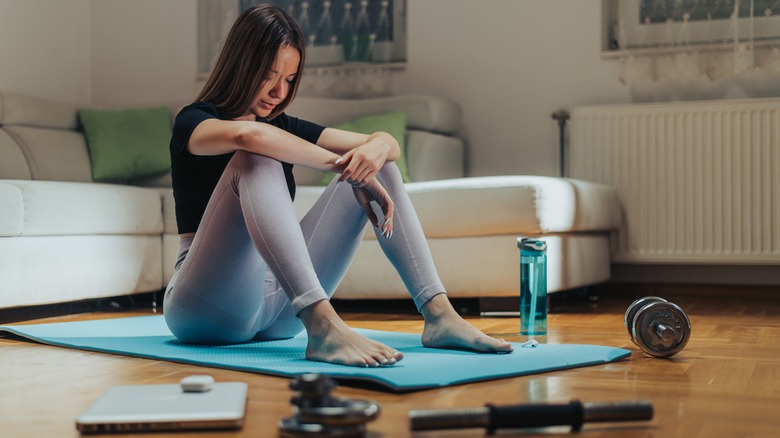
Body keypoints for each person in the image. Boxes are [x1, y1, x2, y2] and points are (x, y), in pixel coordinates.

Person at [163, 3, 513, 368]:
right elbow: (248, 136)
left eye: (289, 80)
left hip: (277, 310)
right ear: (241, 64)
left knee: (381, 168)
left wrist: (374, 151)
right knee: (257, 159)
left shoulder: (282, 124)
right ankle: (323, 325)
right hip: (204, 307)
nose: (278, 92)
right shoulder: (195, 121)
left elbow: (386, 144)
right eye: (269, 75)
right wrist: (342, 165)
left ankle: (439, 315)